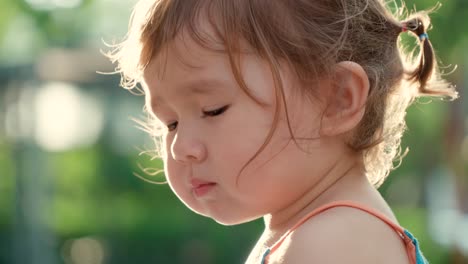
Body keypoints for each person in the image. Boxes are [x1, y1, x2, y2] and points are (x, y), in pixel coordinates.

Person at [108, 0, 457, 263]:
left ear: (337, 99)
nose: (180, 148)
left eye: (213, 109)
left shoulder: (335, 241)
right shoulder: (310, 234)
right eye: (171, 123)